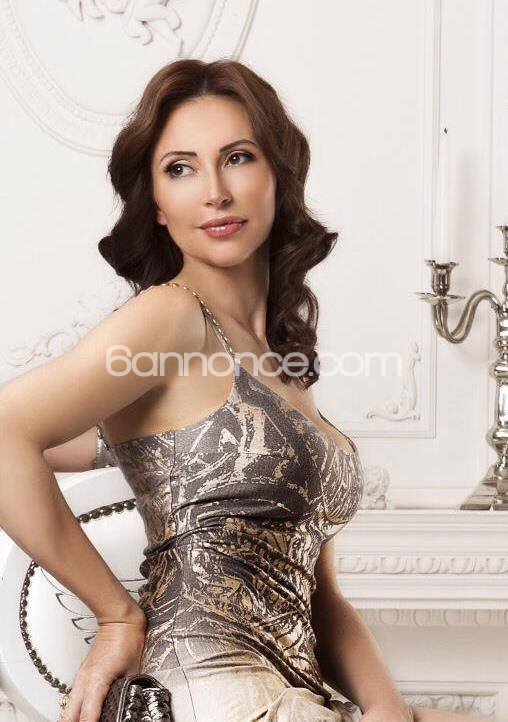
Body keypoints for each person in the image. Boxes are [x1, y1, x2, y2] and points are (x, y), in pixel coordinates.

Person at [0, 59, 488, 722]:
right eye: (180, 169)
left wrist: (387, 712)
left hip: (292, 694)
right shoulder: (169, 317)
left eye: (237, 158)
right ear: (158, 206)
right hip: (211, 691)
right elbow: (8, 430)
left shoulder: (284, 365)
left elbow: (321, 601)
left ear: (278, 177)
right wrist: (116, 616)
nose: (215, 192)